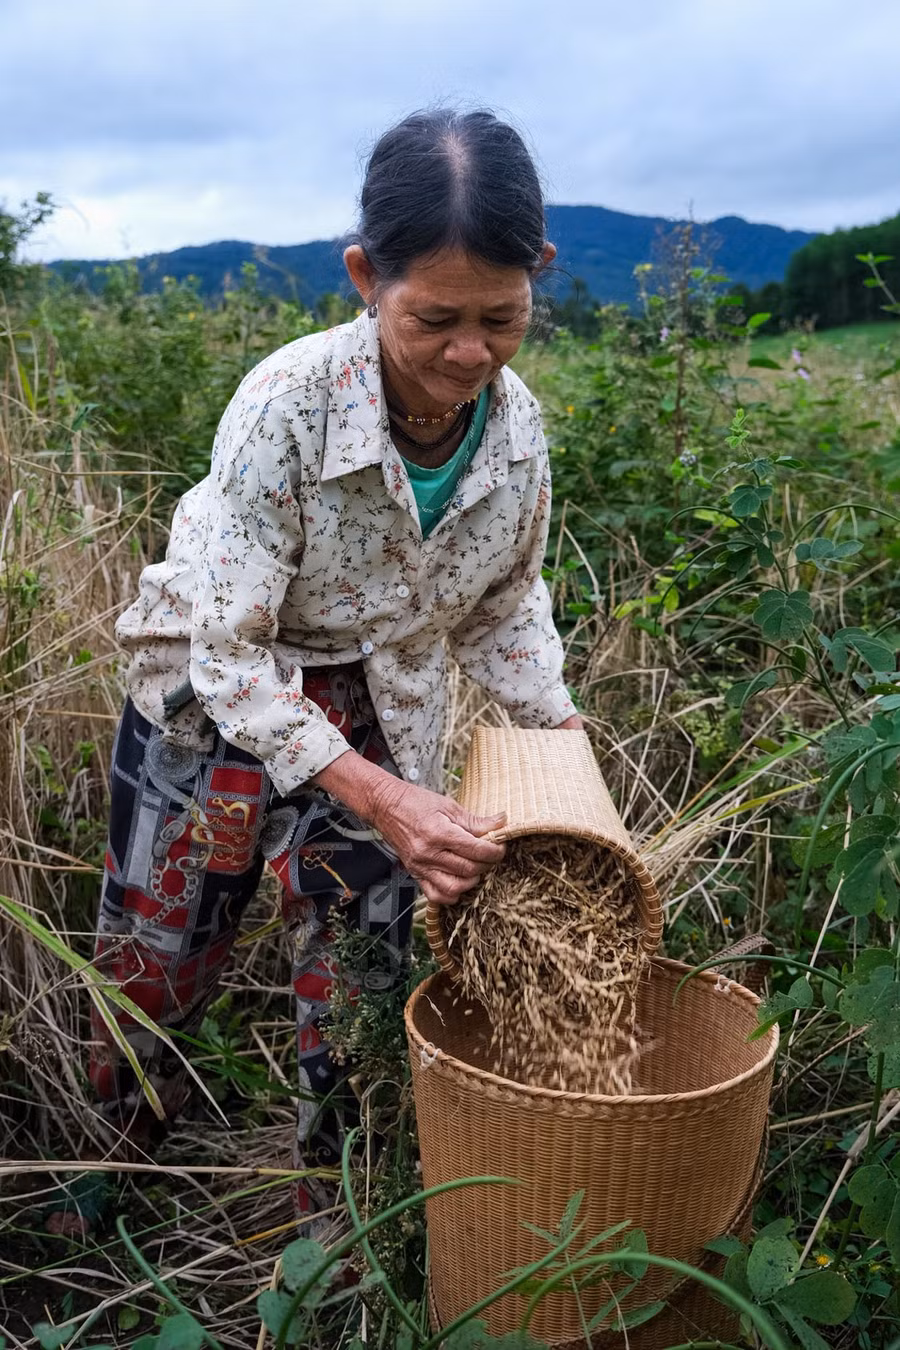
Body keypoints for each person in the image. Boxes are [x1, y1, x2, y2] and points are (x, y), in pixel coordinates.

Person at [89, 106, 582, 1226]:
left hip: (374, 702)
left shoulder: (517, 434)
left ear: (538, 276)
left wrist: (563, 748)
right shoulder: (289, 406)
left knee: (360, 976)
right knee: (162, 958)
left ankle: (341, 1220)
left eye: (502, 318)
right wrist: (387, 798)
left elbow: (505, 604)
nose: (471, 352)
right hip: (207, 700)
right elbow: (228, 651)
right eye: (436, 319)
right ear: (366, 275)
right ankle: (108, 1175)